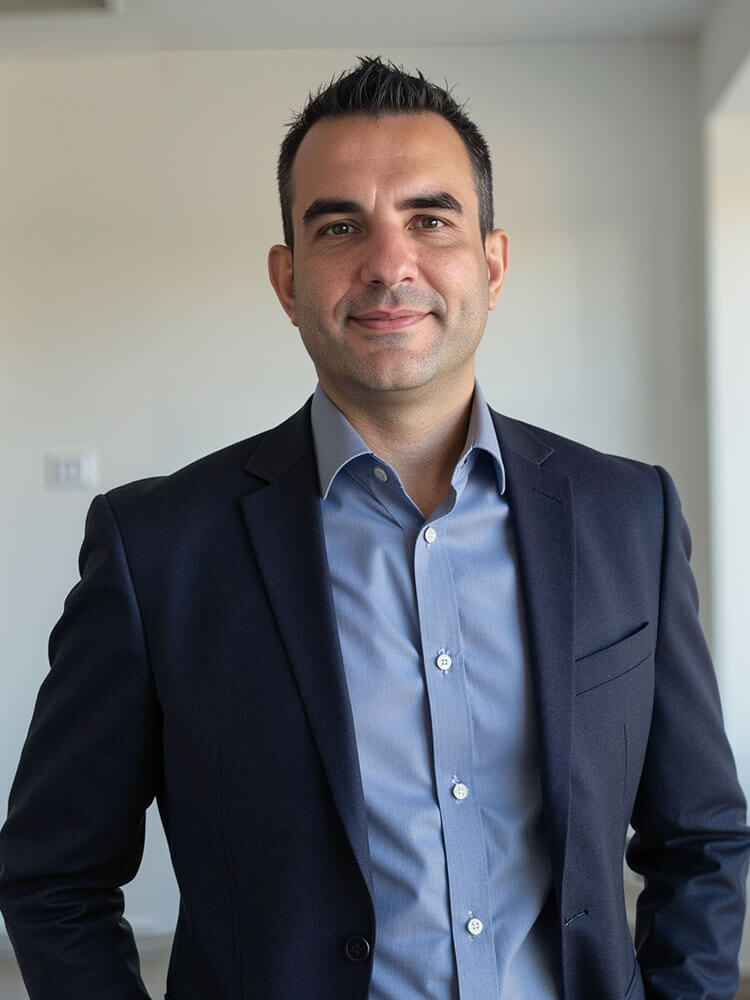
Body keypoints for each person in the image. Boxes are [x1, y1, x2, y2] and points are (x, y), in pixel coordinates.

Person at [0, 56, 748, 1000]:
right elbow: (55, 874)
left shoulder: (629, 515)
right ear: (287, 280)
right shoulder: (159, 550)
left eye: (430, 219)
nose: (390, 265)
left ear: (492, 264)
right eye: (340, 225)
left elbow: (701, 839)